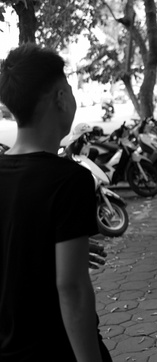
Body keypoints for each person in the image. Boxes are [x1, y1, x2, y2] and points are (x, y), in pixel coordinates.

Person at [0, 44, 111, 361]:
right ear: (61, 97)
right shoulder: (69, 180)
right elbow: (72, 289)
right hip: (53, 347)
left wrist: (43, 249)